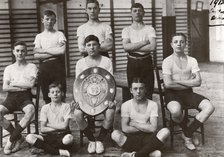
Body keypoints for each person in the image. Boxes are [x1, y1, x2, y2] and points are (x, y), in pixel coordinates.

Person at [162, 32, 215, 150]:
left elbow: (198, 82)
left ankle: (188, 133)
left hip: (188, 93)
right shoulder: (167, 61)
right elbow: (168, 84)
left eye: (181, 42)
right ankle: (187, 132)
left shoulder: (192, 60)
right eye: (176, 42)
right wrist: (188, 82)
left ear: (185, 44)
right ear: (171, 44)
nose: (179, 44)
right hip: (172, 94)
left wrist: (178, 82)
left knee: (209, 107)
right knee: (175, 111)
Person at [73, 35, 115, 154]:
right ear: (85, 48)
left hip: (104, 97)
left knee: (111, 111)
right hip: (86, 98)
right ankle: (91, 140)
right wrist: (78, 101)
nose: (92, 47)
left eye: (94, 45)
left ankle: (100, 140)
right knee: (77, 113)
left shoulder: (106, 61)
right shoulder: (80, 63)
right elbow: (78, 85)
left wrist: (111, 100)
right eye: (89, 45)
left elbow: (110, 82)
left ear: (99, 46)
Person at [111, 77, 170, 157]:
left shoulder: (153, 104)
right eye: (135, 89)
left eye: (141, 88)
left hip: (148, 138)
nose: (138, 92)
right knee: (115, 134)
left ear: (145, 89)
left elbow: (153, 128)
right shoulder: (125, 105)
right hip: (132, 138)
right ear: (131, 90)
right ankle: (148, 152)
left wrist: (134, 124)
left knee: (166, 132)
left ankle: (136, 155)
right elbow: (125, 128)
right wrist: (146, 127)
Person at [0, 41, 38, 155]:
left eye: (22, 51)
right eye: (17, 51)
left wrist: (15, 84)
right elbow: (5, 87)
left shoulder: (32, 66)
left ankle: (11, 140)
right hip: (11, 98)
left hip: (25, 97)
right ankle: (18, 136)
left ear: (26, 52)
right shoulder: (9, 68)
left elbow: (31, 85)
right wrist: (22, 86)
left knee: (30, 110)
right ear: (13, 52)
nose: (20, 53)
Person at [26, 82, 74, 157]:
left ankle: (44, 148)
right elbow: (43, 129)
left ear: (62, 93)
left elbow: (65, 126)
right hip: (49, 136)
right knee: (29, 137)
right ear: (49, 95)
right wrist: (58, 127)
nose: (55, 94)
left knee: (69, 139)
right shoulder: (45, 108)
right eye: (52, 92)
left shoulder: (66, 106)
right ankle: (59, 152)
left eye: (58, 92)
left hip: (62, 135)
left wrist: (48, 125)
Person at [122, 3, 156, 100]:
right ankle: (135, 113)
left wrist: (132, 46)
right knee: (133, 89)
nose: (137, 13)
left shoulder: (149, 29)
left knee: (148, 90)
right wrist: (144, 42)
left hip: (146, 61)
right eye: (134, 11)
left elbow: (152, 47)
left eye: (139, 10)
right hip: (132, 62)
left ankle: (148, 113)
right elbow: (126, 47)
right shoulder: (126, 30)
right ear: (131, 13)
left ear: (143, 13)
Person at [33, 10, 66, 104]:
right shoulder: (39, 37)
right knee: (47, 95)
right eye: (47, 19)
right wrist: (54, 50)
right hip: (44, 67)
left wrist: (44, 50)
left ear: (55, 21)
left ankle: (61, 117)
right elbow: (36, 55)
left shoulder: (59, 34)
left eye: (52, 20)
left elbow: (62, 51)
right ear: (42, 20)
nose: (49, 21)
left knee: (60, 93)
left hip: (57, 66)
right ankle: (49, 117)